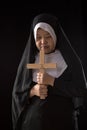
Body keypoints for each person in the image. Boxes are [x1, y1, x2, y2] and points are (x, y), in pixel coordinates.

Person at [12, 13, 87, 130]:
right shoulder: (29, 61)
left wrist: (52, 81)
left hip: (63, 122)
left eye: (48, 36)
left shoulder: (69, 60)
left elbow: (81, 89)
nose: (43, 41)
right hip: (33, 124)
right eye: (38, 38)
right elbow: (17, 94)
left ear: (55, 35)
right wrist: (32, 91)